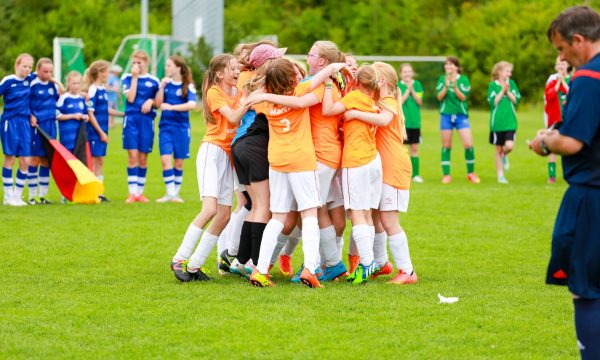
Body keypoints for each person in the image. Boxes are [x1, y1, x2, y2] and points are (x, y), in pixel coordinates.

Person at [529, 6, 600, 359]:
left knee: (585, 289)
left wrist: (545, 141)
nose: (562, 57)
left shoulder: (588, 77)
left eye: (561, 49)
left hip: (591, 197)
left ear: (578, 40)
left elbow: (572, 142)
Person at [243, 57, 346, 288]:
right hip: (301, 160)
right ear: (290, 78)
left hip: (277, 161)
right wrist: (340, 67)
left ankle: (260, 270)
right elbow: (326, 71)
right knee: (309, 213)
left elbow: (250, 99)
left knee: (278, 216)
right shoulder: (298, 92)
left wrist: (265, 91)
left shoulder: (264, 101)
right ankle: (310, 268)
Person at [170, 54, 249, 282]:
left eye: (238, 68)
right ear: (219, 73)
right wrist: (248, 102)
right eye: (232, 68)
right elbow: (233, 118)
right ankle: (180, 258)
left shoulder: (240, 91)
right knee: (210, 209)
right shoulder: (215, 92)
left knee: (224, 215)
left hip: (228, 156)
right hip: (212, 153)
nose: (236, 72)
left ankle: (194, 265)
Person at [343, 62, 418, 284]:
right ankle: (382, 263)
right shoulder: (378, 101)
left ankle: (408, 271)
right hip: (380, 166)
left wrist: (355, 114)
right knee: (375, 216)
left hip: (393, 165)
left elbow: (384, 120)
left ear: (382, 82)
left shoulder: (388, 101)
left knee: (388, 220)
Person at [322, 64, 389, 285]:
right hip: (373, 160)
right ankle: (367, 262)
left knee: (358, 214)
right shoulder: (372, 101)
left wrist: (329, 84)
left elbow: (328, 110)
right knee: (368, 214)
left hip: (356, 161)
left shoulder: (353, 98)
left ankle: (367, 262)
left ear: (357, 81)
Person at [154, 55, 196, 203]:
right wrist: (160, 87)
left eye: (169, 65)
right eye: (166, 65)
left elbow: (192, 105)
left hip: (182, 128)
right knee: (165, 160)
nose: (166, 68)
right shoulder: (165, 84)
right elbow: (158, 103)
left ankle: (175, 194)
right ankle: (170, 193)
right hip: (165, 127)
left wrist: (172, 107)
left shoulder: (188, 86)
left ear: (178, 68)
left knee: (178, 162)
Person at [83, 60, 124, 202]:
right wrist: (101, 132)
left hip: (102, 130)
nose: (109, 74)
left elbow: (104, 109)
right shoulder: (93, 89)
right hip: (95, 131)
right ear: (100, 73)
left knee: (100, 161)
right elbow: (90, 113)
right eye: (107, 71)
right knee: (94, 161)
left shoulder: (102, 88)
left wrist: (122, 114)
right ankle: (92, 192)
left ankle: (99, 192)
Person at [121, 50, 159, 203]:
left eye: (139, 62)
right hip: (131, 120)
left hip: (146, 121)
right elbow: (130, 98)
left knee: (143, 158)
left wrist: (151, 101)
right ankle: (132, 193)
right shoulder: (127, 77)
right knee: (133, 157)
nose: (136, 65)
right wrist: (135, 77)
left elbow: (158, 102)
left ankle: (140, 193)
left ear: (146, 63)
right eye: (134, 62)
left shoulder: (154, 80)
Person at [435, 56, 480, 184]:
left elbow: (463, 98)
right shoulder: (441, 79)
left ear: (457, 67)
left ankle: (471, 173)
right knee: (446, 145)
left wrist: (454, 87)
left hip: (461, 116)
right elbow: (439, 97)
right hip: (446, 115)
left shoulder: (463, 80)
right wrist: (445, 86)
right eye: (446, 64)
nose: (448, 67)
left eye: (451, 64)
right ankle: (446, 175)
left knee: (468, 145)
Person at [1, 53, 35, 206]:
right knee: (9, 158)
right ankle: (8, 197)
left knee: (26, 159)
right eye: (24, 66)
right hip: (10, 122)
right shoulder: (8, 81)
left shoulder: (30, 80)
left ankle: (17, 196)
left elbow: (45, 76)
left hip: (25, 124)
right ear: (17, 64)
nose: (27, 69)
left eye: (29, 67)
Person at [29, 57, 64, 204]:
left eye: (51, 71)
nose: (48, 74)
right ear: (38, 70)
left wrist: (56, 81)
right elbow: (25, 102)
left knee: (46, 160)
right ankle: (32, 195)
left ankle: (43, 195)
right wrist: (30, 115)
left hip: (51, 125)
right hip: (38, 126)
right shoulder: (32, 83)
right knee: (35, 159)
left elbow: (61, 96)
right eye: (45, 71)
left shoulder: (52, 85)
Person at [487, 61, 521, 184]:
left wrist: (507, 91)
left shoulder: (512, 84)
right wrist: (502, 91)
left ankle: (505, 155)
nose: (510, 73)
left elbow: (516, 100)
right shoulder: (492, 85)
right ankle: (500, 176)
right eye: (507, 70)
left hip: (510, 122)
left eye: (510, 71)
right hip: (497, 123)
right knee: (498, 149)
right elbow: (493, 102)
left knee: (509, 146)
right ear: (499, 72)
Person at [544, 57, 572, 184]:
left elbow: (572, 94)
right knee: (552, 146)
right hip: (555, 118)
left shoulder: (572, 79)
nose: (561, 65)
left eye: (563, 63)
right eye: (558, 64)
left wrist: (563, 82)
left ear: (568, 65)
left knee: (567, 146)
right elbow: (548, 96)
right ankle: (551, 175)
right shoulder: (552, 80)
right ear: (555, 67)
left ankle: (569, 174)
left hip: (569, 118)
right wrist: (557, 84)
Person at [398, 63, 424, 183]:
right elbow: (399, 102)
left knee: (414, 148)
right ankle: (402, 173)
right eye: (405, 72)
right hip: (403, 123)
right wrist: (407, 90)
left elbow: (419, 102)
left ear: (412, 73)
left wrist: (412, 89)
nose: (407, 74)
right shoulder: (398, 86)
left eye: (409, 71)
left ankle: (416, 174)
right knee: (401, 150)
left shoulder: (417, 84)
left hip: (415, 123)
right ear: (401, 74)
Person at [56, 71, 88, 154]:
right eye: (74, 83)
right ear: (69, 83)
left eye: (78, 83)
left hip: (79, 136)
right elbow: (57, 115)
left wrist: (85, 117)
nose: (76, 86)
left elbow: (86, 114)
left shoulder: (81, 99)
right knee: (68, 159)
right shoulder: (64, 98)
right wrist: (73, 116)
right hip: (67, 136)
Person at [106, 65, 122, 129]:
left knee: (114, 111)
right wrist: (113, 89)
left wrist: (119, 99)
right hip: (109, 98)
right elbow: (106, 86)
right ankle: (109, 124)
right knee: (109, 112)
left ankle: (112, 124)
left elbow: (117, 90)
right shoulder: (110, 77)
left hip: (114, 98)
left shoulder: (117, 79)